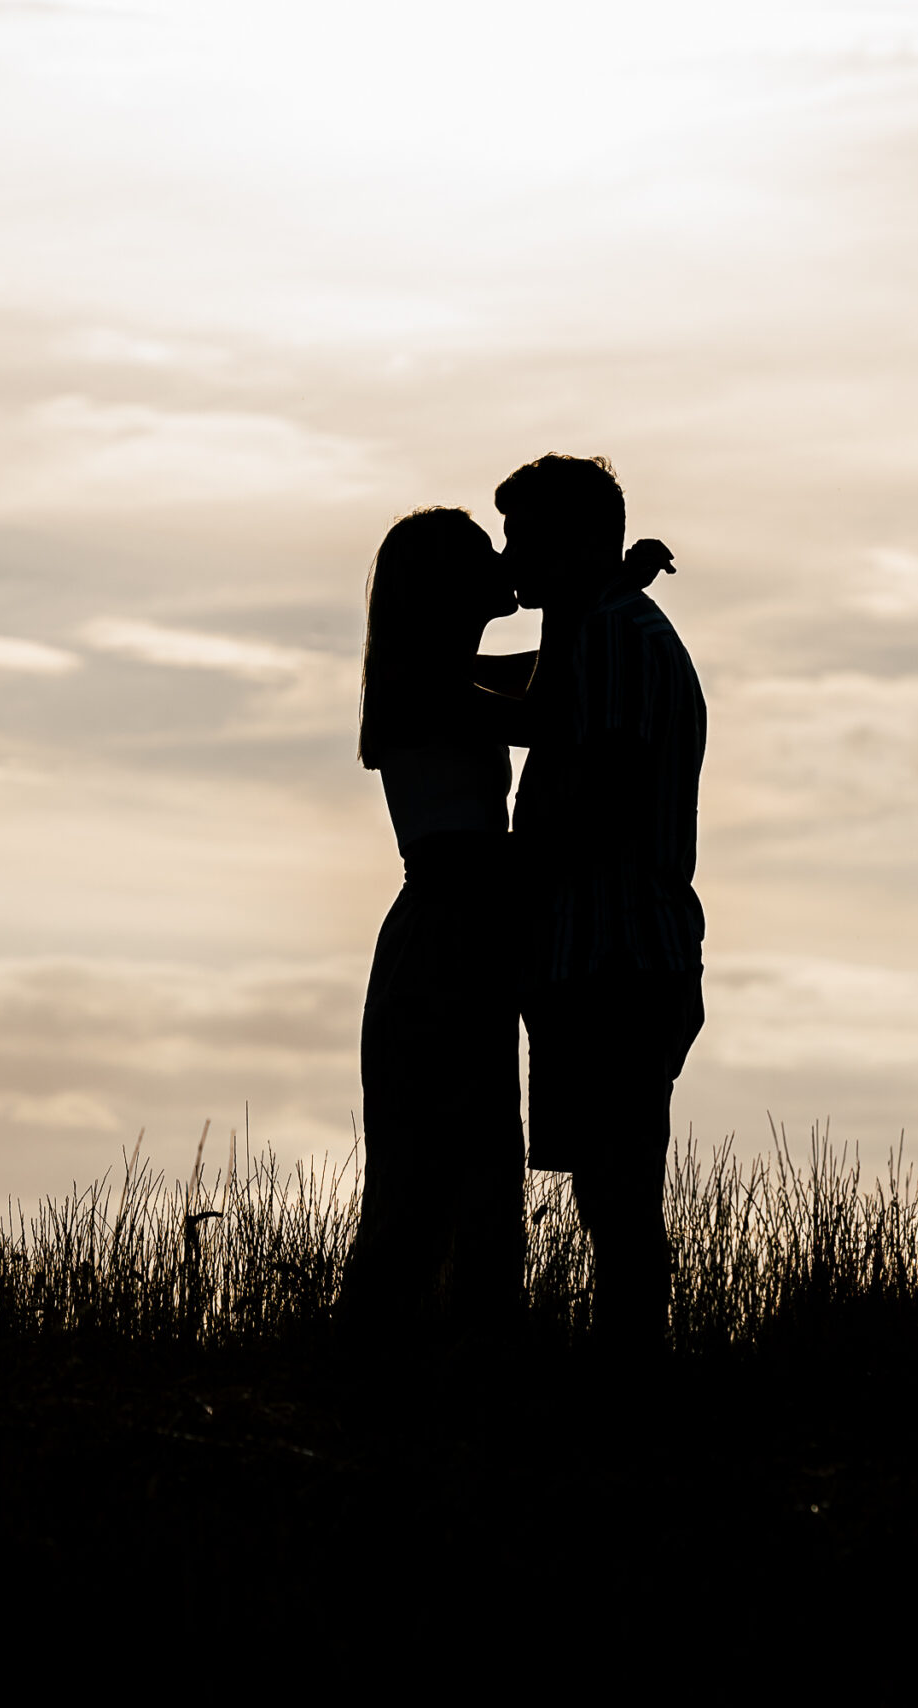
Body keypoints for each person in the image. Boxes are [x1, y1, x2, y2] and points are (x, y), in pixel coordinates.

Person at [492, 454, 704, 1353]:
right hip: (601, 952)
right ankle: (630, 1375)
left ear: (580, 541)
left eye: (525, 537)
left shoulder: (617, 635)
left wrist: (507, 873)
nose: (511, 559)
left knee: (617, 1195)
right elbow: (539, 693)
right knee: (610, 1195)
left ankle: (635, 1379)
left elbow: (608, 789)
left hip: (615, 951)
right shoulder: (604, 630)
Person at [343, 506, 527, 1352]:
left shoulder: (441, 675)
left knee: (464, 1163)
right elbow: (540, 703)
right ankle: (394, 1364)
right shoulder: (430, 687)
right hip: (449, 937)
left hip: (459, 934)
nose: (504, 560)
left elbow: (536, 676)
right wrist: (589, 602)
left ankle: (416, 1364)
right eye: (485, 552)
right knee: (446, 1167)